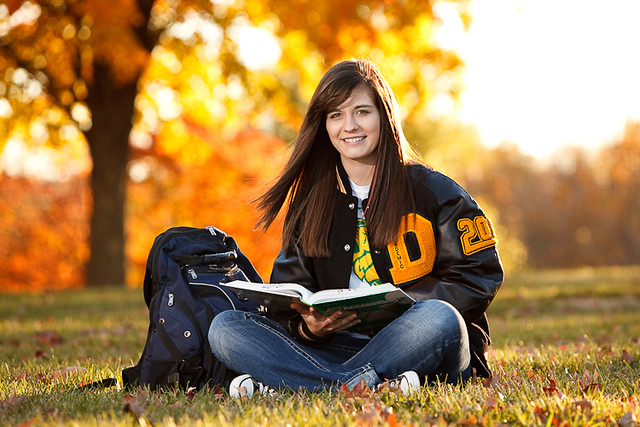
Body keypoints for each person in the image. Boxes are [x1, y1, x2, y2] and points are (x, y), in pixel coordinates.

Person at [208, 58, 503, 396]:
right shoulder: (311, 203)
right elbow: (288, 296)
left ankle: (305, 384)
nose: (349, 125)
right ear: (324, 126)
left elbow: (479, 274)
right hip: (337, 347)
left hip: (417, 341)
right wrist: (310, 330)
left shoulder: (436, 191)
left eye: (362, 111)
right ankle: (361, 385)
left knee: (439, 317)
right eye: (336, 115)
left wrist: (403, 310)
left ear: (384, 117)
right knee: (226, 328)